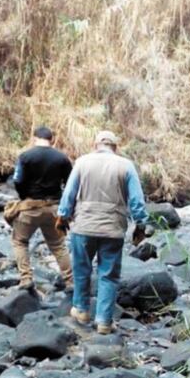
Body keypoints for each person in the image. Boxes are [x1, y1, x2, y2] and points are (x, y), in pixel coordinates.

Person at [57, 130, 150, 334]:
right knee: (108, 275)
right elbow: (136, 200)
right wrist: (140, 224)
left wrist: (62, 216)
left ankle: (81, 310)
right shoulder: (126, 166)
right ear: (115, 147)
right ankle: (104, 322)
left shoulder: (82, 162)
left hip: (84, 225)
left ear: (95, 145)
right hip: (113, 228)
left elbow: (69, 193)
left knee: (82, 269)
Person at [9, 126, 74, 291]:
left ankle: (25, 278)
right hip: (53, 208)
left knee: (20, 241)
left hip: (30, 206)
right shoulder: (62, 158)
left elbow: (17, 180)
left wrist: (24, 196)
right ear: (51, 140)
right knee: (58, 245)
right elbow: (70, 184)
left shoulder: (25, 156)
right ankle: (70, 281)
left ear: (35, 138)